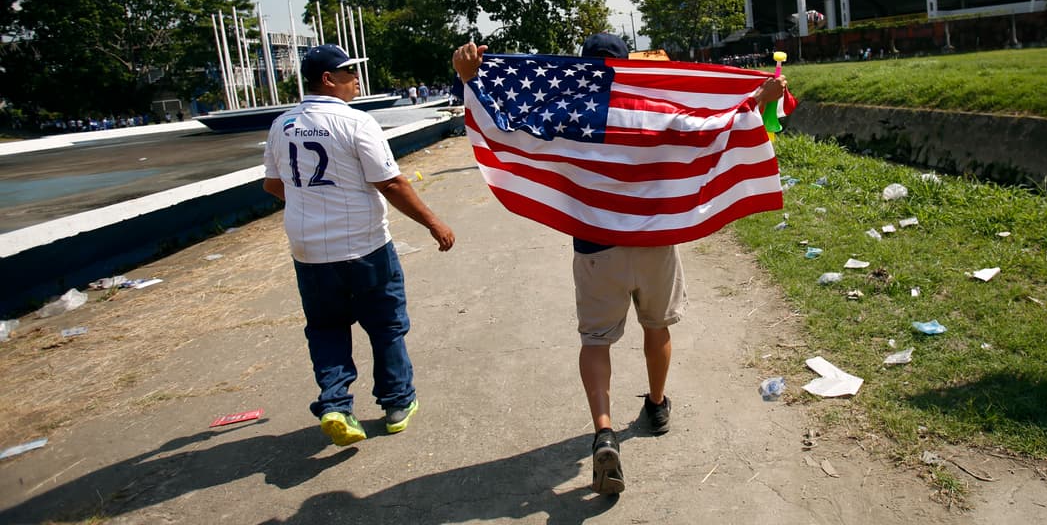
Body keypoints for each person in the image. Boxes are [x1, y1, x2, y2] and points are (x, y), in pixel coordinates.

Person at [451, 34, 787, 495]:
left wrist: (470, 78)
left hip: (594, 247)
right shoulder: (651, 107)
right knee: (658, 327)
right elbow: (706, 127)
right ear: (627, 63)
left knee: (595, 341)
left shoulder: (563, 112)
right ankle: (656, 404)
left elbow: (508, 125)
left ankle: (604, 429)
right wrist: (755, 97)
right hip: (654, 241)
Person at [263, 43, 456, 447]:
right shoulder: (356, 123)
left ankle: (335, 404)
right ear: (327, 79)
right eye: (349, 73)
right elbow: (389, 183)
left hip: (309, 250)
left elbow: (274, 184)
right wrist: (433, 223)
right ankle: (397, 403)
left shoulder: (282, 125)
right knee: (386, 324)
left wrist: (311, 205)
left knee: (326, 327)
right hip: (364, 246)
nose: (356, 80)